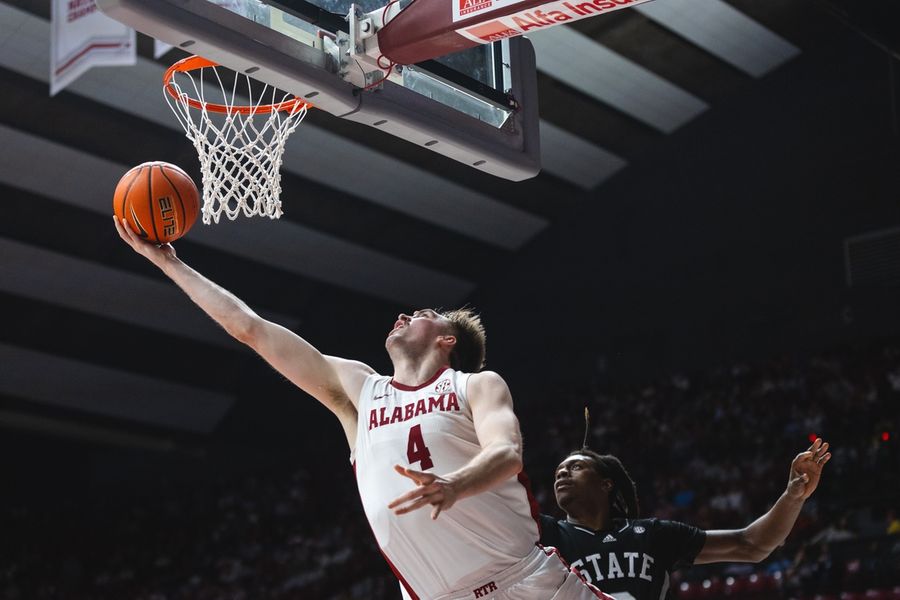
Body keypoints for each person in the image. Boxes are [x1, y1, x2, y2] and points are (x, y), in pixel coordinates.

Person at [114, 217, 608, 600]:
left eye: (419, 315)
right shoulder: (359, 392)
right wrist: (168, 263)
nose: (402, 315)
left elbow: (506, 453)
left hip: (525, 582)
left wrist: (454, 485)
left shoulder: (474, 384)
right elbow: (252, 329)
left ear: (446, 339)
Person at [541, 438, 831, 600]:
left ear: (606, 484)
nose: (562, 474)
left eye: (575, 467)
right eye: (557, 473)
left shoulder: (652, 534)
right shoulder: (545, 534)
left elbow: (752, 544)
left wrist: (793, 497)